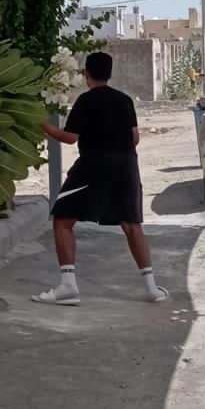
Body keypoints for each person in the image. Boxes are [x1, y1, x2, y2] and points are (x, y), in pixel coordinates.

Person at [33, 52, 168, 306]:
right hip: (127, 166)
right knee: (132, 224)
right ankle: (152, 288)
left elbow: (70, 138)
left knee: (62, 219)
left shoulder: (85, 101)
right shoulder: (125, 100)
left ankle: (68, 286)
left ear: (87, 74)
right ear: (109, 73)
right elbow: (135, 138)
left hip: (93, 166)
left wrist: (42, 125)